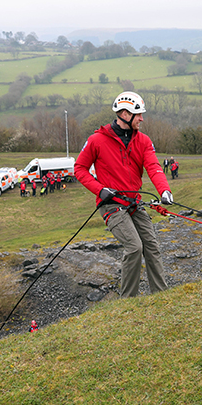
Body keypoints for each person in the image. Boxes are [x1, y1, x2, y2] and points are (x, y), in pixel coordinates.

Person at [75, 91, 173, 298]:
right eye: (139, 114)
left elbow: (154, 167)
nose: (142, 119)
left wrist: (164, 190)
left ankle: (162, 296)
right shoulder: (96, 140)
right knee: (135, 247)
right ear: (125, 114)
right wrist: (100, 190)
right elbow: (80, 169)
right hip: (111, 205)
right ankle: (127, 301)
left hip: (134, 203)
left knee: (152, 246)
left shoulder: (144, 141)